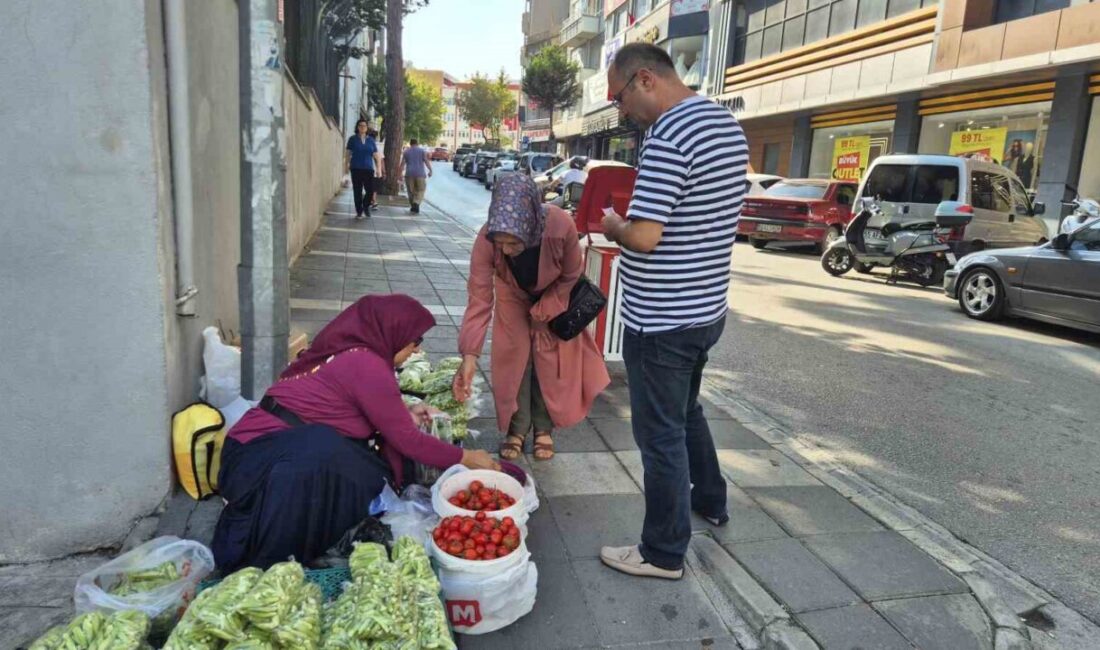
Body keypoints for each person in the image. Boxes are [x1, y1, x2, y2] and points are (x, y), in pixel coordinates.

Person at [598, 43, 748, 580]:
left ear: (645, 79)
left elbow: (645, 237)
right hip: (706, 308)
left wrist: (613, 225)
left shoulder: (667, 136)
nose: (620, 111)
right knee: (687, 413)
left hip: (660, 318)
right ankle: (711, 499)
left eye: (619, 97)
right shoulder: (724, 124)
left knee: (659, 435)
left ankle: (662, 552)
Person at [212, 295, 501, 571]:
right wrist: (467, 456)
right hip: (259, 464)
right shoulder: (367, 365)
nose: (417, 350)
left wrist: (405, 411)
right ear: (392, 332)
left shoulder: (351, 350)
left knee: (356, 462)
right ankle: (283, 542)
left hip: (254, 447)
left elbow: (351, 399)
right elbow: (408, 441)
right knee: (357, 470)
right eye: (415, 340)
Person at [453, 174, 610, 462]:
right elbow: (479, 299)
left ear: (529, 228)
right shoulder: (487, 239)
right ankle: (516, 428)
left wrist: (548, 307)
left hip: (554, 292)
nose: (506, 250)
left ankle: (543, 428)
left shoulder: (560, 225)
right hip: (512, 294)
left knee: (548, 359)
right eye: (500, 243)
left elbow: (572, 274)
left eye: (513, 244)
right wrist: (470, 355)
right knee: (514, 358)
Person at [345, 120, 383, 219]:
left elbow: (376, 156)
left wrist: (379, 169)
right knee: (357, 191)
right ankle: (359, 211)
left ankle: (365, 206)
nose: (362, 127)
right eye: (360, 125)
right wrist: (346, 165)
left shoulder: (371, 140)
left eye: (364, 126)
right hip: (356, 168)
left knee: (370, 191)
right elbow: (348, 154)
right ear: (357, 127)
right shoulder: (352, 139)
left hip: (368, 169)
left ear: (367, 128)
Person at [400, 138, 432, 214]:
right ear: (417, 143)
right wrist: (430, 170)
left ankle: (413, 206)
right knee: (421, 189)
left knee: (411, 191)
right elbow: (426, 161)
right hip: (420, 174)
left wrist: (400, 174)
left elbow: (402, 164)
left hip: (409, 174)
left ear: (410, 144)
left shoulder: (406, 152)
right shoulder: (422, 151)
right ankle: (416, 203)